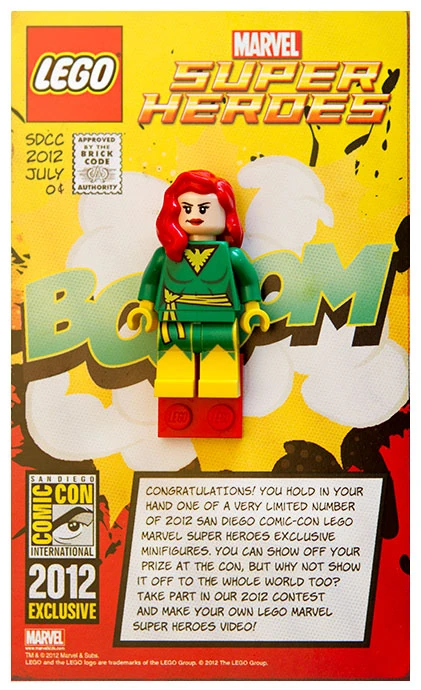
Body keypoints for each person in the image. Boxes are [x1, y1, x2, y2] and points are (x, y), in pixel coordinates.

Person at [128, 170, 269, 398]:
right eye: (187, 208)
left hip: (220, 315)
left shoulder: (231, 255)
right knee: (174, 350)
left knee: (219, 350)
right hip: (174, 317)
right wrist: (145, 307)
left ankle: (220, 386)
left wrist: (252, 308)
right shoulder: (166, 255)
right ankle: (174, 388)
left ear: (225, 213)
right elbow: (151, 281)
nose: (195, 215)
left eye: (204, 209)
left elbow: (247, 281)